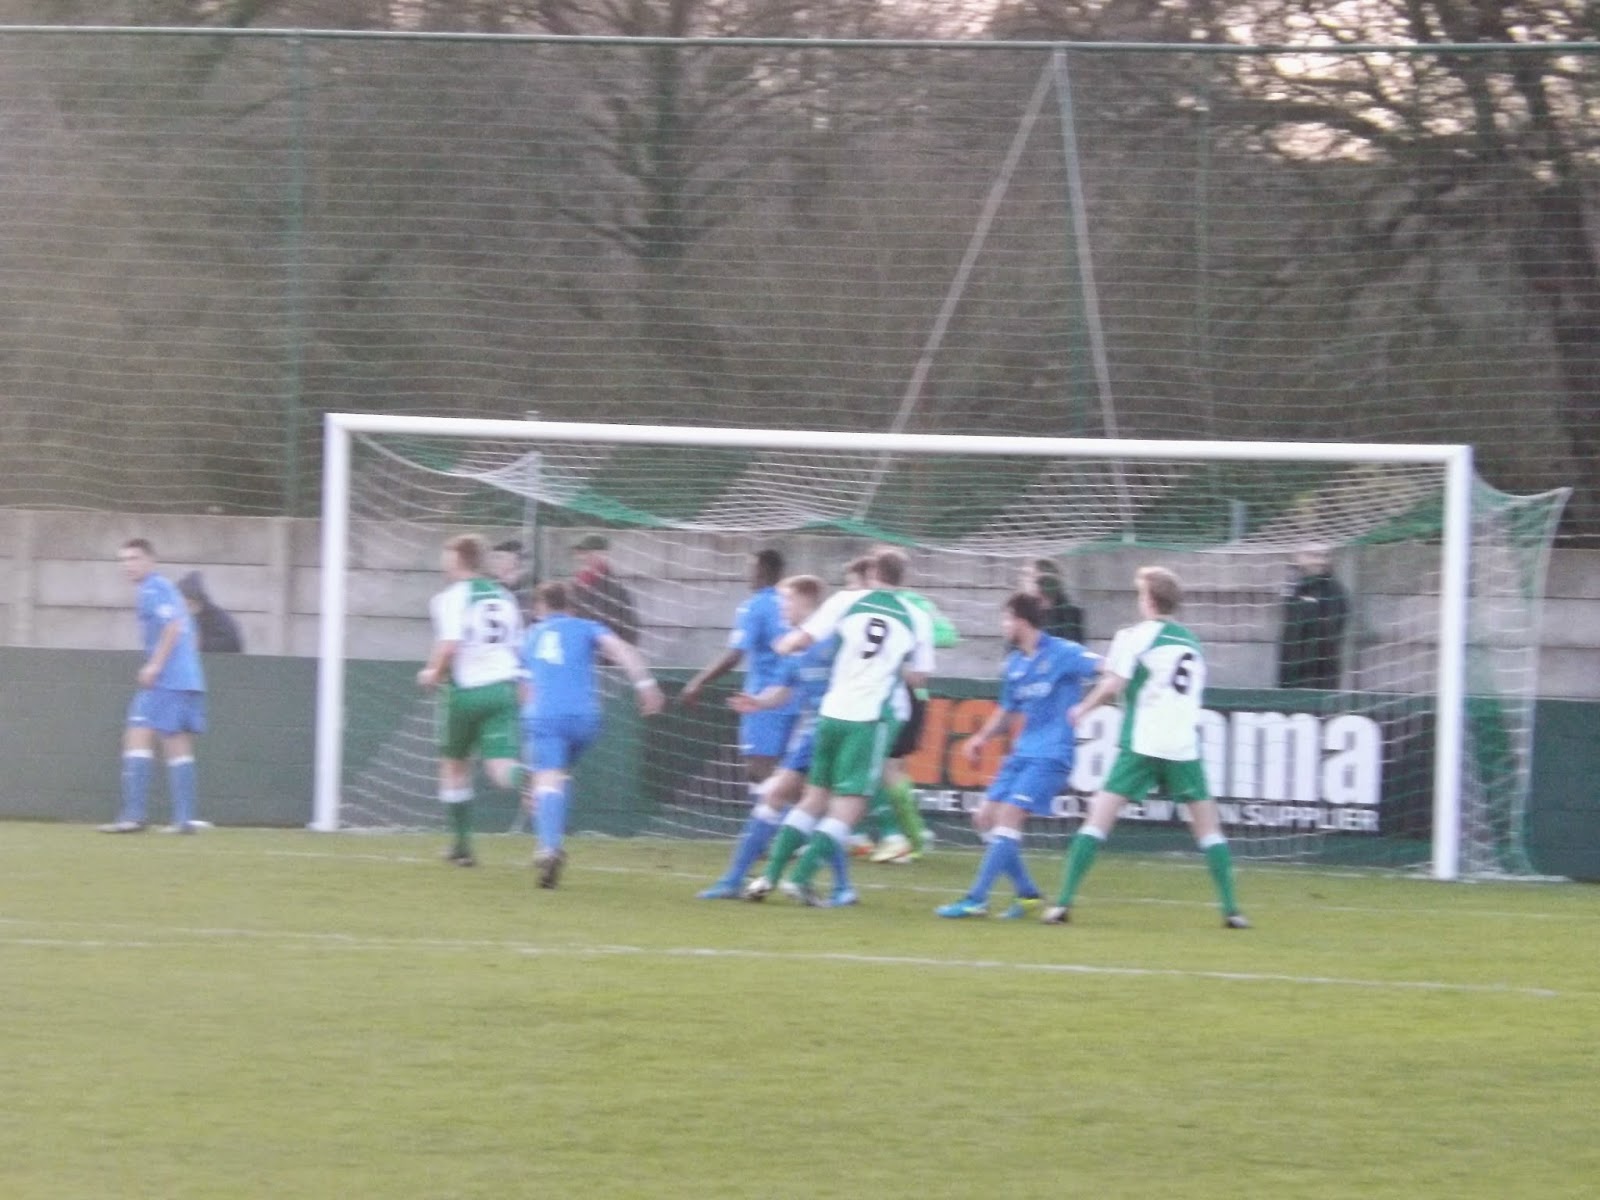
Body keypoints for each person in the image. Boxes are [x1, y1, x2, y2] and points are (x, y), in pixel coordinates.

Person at [1046, 566, 1249, 929]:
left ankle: (1062, 904)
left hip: (1144, 741)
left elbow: (1114, 684)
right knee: (1208, 829)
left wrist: (1082, 708)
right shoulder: (1192, 643)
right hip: (1183, 744)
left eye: (1140, 593)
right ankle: (1232, 910)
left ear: (1148, 600)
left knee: (1098, 820)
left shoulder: (1134, 636)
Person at [744, 547, 936, 906]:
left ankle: (767, 877)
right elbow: (920, 676)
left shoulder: (846, 600)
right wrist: (894, 664)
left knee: (813, 798)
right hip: (869, 718)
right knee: (849, 806)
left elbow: (800, 639)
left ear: (873, 573)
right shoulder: (916, 616)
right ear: (904, 578)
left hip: (831, 713)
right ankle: (800, 879)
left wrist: (784, 645)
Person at [935, 592, 1100, 918]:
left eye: (1007, 619)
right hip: (1023, 753)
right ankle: (1026, 893)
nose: (1003, 625)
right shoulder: (1014, 664)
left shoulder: (1064, 652)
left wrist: (1086, 705)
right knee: (985, 817)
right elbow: (1008, 710)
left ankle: (976, 898)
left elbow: (1107, 669)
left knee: (1009, 816)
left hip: (1052, 755)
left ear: (1021, 621)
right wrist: (980, 738)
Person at [696, 575, 839, 900]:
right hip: (814, 732)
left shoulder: (833, 638)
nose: (782, 607)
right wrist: (758, 702)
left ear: (805, 600)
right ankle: (735, 880)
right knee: (796, 802)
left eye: (787, 600)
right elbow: (782, 690)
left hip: (835, 729)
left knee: (813, 805)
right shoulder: (794, 646)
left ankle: (738, 880)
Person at [519, 581, 663, 888]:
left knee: (547, 778)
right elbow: (622, 651)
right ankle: (551, 835)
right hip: (585, 720)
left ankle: (549, 847)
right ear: (571, 606)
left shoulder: (531, 636)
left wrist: (531, 739)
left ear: (540, 608)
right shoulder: (587, 627)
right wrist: (646, 685)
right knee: (559, 776)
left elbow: (526, 690)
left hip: (547, 717)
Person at [417, 534, 529, 868]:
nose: (443, 562)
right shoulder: (505, 597)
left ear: (457, 560)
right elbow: (518, 649)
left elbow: (450, 644)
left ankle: (462, 846)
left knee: (454, 765)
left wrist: (432, 673)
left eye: (446, 555)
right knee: (500, 766)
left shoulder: (451, 597)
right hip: (503, 688)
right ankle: (530, 779)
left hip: (466, 692)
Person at [100, 539, 207, 834]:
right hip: (182, 678)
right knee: (156, 738)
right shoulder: (164, 589)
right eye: (124, 559)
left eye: (134, 558)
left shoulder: (153, 588)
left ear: (151, 560)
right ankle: (173, 820)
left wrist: (155, 665)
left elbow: (173, 626)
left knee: (155, 737)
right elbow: (189, 632)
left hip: (168, 680)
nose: (128, 565)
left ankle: (141, 817)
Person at [861, 547, 959, 865]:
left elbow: (948, 635)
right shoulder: (871, 603)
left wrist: (904, 649)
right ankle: (902, 835)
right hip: (887, 694)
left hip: (905, 694)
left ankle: (909, 837)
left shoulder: (912, 604)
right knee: (888, 769)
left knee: (887, 768)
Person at [680, 549, 795, 804]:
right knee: (793, 777)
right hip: (798, 701)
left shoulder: (755, 606)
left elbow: (734, 656)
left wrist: (698, 681)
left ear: (761, 571)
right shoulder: (794, 604)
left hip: (764, 700)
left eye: (750, 568)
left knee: (760, 773)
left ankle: (767, 826)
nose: (747, 574)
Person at [1277, 542, 1349, 690]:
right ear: (1297, 557)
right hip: (1290, 668)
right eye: (1313, 556)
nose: (1320, 561)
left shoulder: (1333, 590)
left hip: (1320, 672)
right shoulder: (1292, 585)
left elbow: (1331, 629)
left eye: (1325, 556)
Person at [569, 533, 640, 645]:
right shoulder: (575, 586)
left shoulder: (615, 590)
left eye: (586, 553)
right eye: (579, 553)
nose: (581, 558)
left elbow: (628, 631)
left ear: (602, 555)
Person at [1021, 557, 1085, 645]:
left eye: (1033, 579)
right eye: (1027, 578)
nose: (1027, 583)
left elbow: (1075, 646)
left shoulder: (1071, 613)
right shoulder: (1021, 612)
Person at [176, 571, 244, 654]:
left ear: (199, 601)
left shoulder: (218, 618)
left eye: (189, 604)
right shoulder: (179, 618)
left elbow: (231, 643)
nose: (186, 609)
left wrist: (200, 644)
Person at [489, 538, 538, 624]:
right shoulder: (492, 586)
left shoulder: (532, 588)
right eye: (493, 558)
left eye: (499, 558)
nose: (493, 563)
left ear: (515, 560)